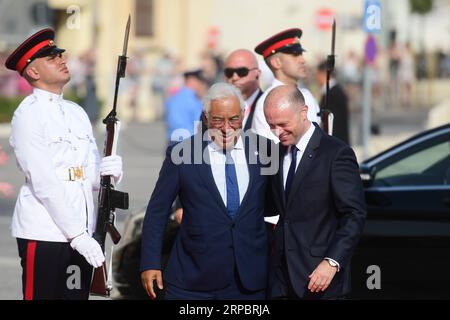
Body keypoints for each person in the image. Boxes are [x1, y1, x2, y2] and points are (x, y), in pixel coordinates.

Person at [4, 28, 123, 300]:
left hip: (82, 231)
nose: (61, 58)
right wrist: (77, 234)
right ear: (33, 72)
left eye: (59, 53)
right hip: (45, 231)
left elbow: (88, 175)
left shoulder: (76, 112)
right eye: (50, 57)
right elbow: (45, 181)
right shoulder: (29, 116)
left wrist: (109, 170)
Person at [140, 83, 276, 300]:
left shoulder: (266, 151)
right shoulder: (182, 154)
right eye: (218, 120)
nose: (226, 128)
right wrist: (150, 262)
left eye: (233, 119)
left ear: (243, 114)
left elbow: (278, 203)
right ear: (205, 117)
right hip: (193, 282)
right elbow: (157, 210)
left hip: (249, 282)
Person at [263, 85, 366, 300]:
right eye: (271, 126)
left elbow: (354, 214)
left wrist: (332, 262)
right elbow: (271, 205)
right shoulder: (275, 153)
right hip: (281, 280)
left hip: (320, 279)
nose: (277, 132)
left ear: (303, 113)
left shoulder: (336, 153)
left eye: (283, 124)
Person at [252, 28, 321, 142]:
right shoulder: (266, 103)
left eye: (301, 54)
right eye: (295, 54)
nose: (303, 60)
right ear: (276, 62)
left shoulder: (306, 95)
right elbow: (269, 152)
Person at [223, 49, 263, 132]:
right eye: (229, 72)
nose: (234, 77)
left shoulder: (266, 106)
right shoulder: (215, 106)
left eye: (242, 71)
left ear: (257, 73)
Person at [165, 69, 209, 142]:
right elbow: (200, 122)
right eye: (200, 81)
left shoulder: (174, 97)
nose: (202, 85)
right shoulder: (193, 99)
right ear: (191, 80)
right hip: (189, 141)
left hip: (173, 140)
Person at [316, 60, 350, 145]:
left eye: (318, 74)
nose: (316, 78)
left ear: (323, 74)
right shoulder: (335, 91)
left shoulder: (332, 93)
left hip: (336, 142)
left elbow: (331, 122)